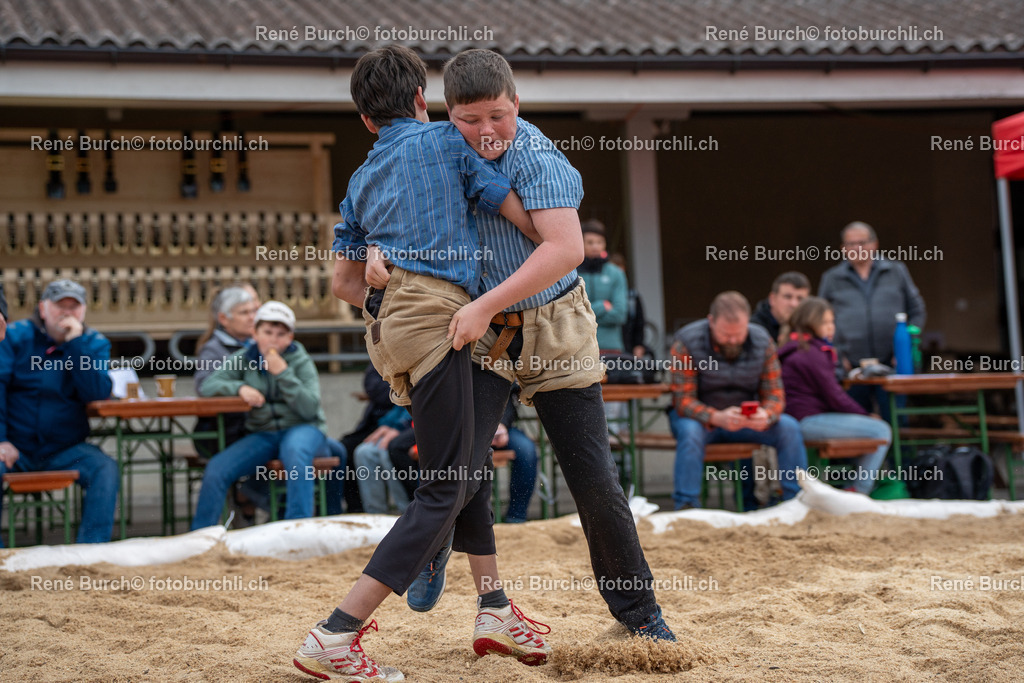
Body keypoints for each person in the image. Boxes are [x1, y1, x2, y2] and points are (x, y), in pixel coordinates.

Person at [384, 48, 675, 649]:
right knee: (457, 464)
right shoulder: (432, 153)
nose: (486, 131)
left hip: (553, 324)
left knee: (592, 475)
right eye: (469, 119)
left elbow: (565, 249)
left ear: (516, 103)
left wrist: (486, 305)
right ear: (446, 113)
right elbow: (386, 206)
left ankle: (639, 612)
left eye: (497, 115)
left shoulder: (537, 154)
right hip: (479, 325)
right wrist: (367, 247)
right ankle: (436, 546)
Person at [294, 45, 548, 683]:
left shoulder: (358, 179)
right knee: (445, 485)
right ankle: (335, 634)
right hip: (445, 317)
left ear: (364, 119)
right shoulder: (446, 145)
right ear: (421, 101)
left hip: (391, 327)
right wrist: (542, 236)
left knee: (466, 467)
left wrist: (390, 286)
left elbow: (345, 287)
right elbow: (514, 213)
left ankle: (492, 608)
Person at [0, 279, 119, 545]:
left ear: (84, 312)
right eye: (59, 306)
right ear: (43, 308)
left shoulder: (93, 343)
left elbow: (97, 393)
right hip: (14, 448)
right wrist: (1, 439)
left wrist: (75, 345)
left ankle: (91, 549)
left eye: (73, 307)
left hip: (64, 450)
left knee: (105, 468)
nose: (67, 312)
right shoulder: (14, 336)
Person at [191, 301, 327, 529]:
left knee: (295, 453)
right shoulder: (245, 358)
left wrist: (283, 373)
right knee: (217, 468)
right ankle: (201, 535)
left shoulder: (300, 359)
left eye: (281, 334)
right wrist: (239, 388)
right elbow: (208, 385)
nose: (273, 339)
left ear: (291, 337)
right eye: (267, 332)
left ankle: (299, 528)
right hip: (263, 434)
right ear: (254, 333)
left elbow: (310, 408)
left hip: (303, 428)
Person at [669, 291, 808, 511]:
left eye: (739, 334)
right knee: (690, 432)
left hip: (746, 420)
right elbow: (682, 400)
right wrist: (716, 417)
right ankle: (687, 505)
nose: (733, 340)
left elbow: (775, 395)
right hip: (700, 419)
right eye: (726, 334)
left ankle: (797, 501)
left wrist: (766, 414)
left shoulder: (763, 341)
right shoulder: (686, 341)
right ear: (711, 321)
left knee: (789, 427)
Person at [778, 297, 891, 494]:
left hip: (801, 419)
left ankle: (852, 487)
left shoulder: (800, 348)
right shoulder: (810, 353)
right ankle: (858, 491)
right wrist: (865, 415)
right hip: (807, 421)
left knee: (871, 432)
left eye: (832, 321)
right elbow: (835, 396)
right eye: (825, 322)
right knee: (881, 430)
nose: (831, 327)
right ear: (810, 323)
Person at [818, 221, 926, 419]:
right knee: (857, 422)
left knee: (897, 419)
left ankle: (899, 451)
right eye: (850, 244)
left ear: (875, 244)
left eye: (862, 242)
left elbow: (917, 310)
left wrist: (906, 346)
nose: (857, 248)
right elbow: (820, 321)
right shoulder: (832, 278)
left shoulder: (896, 271)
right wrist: (837, 354)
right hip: (852, 366)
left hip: (892, 362)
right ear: (843, 249)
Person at [192, 285, 259, 460]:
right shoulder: (213, 350)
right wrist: (240, 388)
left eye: (253, 311)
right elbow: (203, 386)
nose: (252, 317)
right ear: (224, 318)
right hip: (224, 431)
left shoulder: (261, 344)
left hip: (257, 426)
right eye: (244, 313)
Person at [577, 219, 628, 353]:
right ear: (580, 243)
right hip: (580, 346)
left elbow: (620, 314)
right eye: (590, 242)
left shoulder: (616, 273)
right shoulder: (572, 274)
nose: (595, 246)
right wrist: (603, 306)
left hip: (610, 347)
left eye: (600, 242)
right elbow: (572, 313)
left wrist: (586, 312)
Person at [352, 403, 414, 514]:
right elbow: (399, 408)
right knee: (363, 452)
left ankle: (406, 511)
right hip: (400, 428)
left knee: (388, 451)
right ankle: (376, 514)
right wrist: (387, 425)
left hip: (416, 429)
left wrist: (401, 427)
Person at [491, 386, 537, 523]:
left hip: (503, 428)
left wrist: (502, 425)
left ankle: (516, 517)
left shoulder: (503, 366)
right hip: (469, 431)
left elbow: (510, 397)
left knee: (526, 449)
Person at [750, 271, 811, 344]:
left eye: (800, 299)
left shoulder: (813, 328)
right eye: (787, 297)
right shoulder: (754, 328)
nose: (793, 304)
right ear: (772, 299)